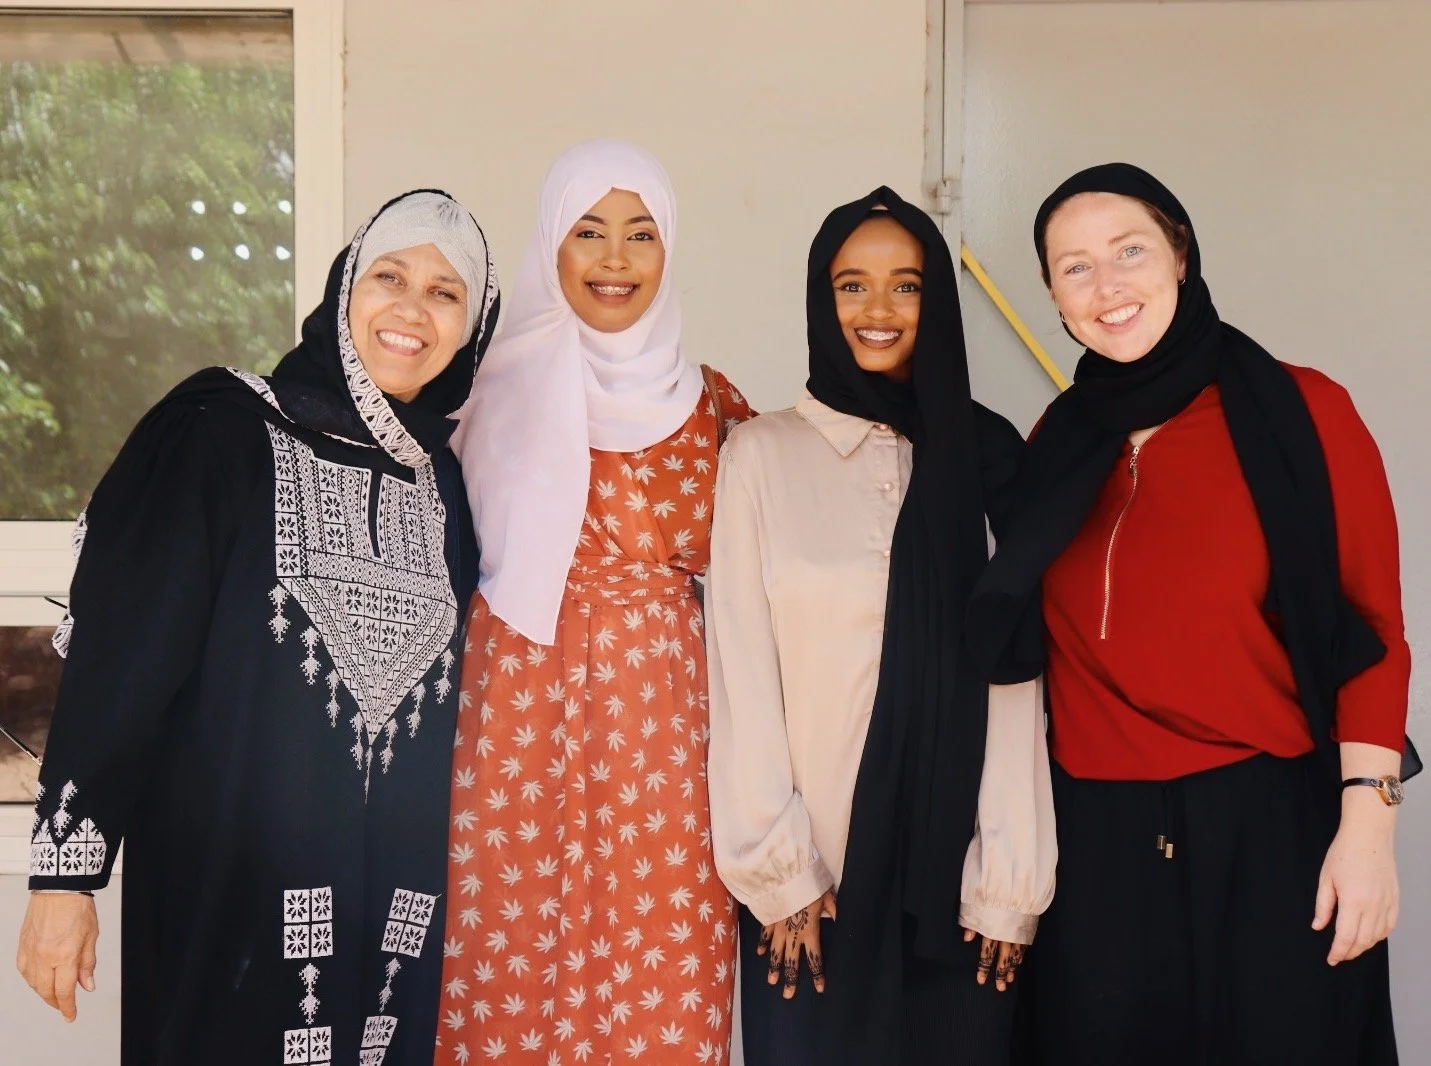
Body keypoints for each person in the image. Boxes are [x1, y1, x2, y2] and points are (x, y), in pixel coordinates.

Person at [15, 190, 498, 1066]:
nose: (411, 310)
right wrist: (65, 875)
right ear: (345, 287)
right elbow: (124, 661)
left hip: (389, 927)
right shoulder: (219, 434)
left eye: (445, 292)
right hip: (227, 907)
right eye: (389, 276)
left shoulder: (445, 490)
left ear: (472, 327)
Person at [967, 163, 1414, 1065]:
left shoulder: (1305, 411)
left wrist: (1367, 834)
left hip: (1268, 828)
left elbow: (1372, 631)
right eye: (1074, 267)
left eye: (1128, 251)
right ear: (1053, 296)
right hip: (1093, 842)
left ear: (1179, 253)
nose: (1107, 285)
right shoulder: (1056, 441)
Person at [706, 187, 1055, 1066]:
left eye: (906, 286)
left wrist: (1007, 883)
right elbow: (741, 673)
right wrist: (777, 874)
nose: (878, 310)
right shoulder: (761, 455)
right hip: (812, 896)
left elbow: (1013, 682)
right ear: (822, 301)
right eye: (851, 284)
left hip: (961, 892)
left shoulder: (986, 455)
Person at [436, 140, 753, 1065]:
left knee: (662, 965)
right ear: (551, 244)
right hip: (509, 715)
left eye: (641, 233)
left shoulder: (716, 405)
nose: (615, 259)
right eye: (588, 232)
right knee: (502, 957)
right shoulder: (473, 392)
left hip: (665, 729)